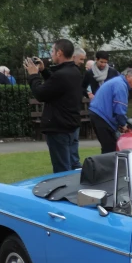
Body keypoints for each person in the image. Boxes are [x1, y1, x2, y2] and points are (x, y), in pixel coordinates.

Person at [24, 39, 83, 173]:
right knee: (70, 165)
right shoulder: (73, 71)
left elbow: (41, 94)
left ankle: (64, 193)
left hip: (59, 127)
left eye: (52, 51)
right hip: (70, 125)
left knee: (62, 170)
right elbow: (56, 85)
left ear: (59, 53)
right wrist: (44, 71)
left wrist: (34, 75)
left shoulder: (62, 75)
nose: (51, 54)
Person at [88, 68, 132, 153]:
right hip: (102, 116)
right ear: (128, 77)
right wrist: (123, 124)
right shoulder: (120, 85)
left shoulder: (117, 81)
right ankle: (108, 166)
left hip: (97, 114)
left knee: (108, 147)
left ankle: (105, 165)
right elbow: (119, 109)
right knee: (110, 148)